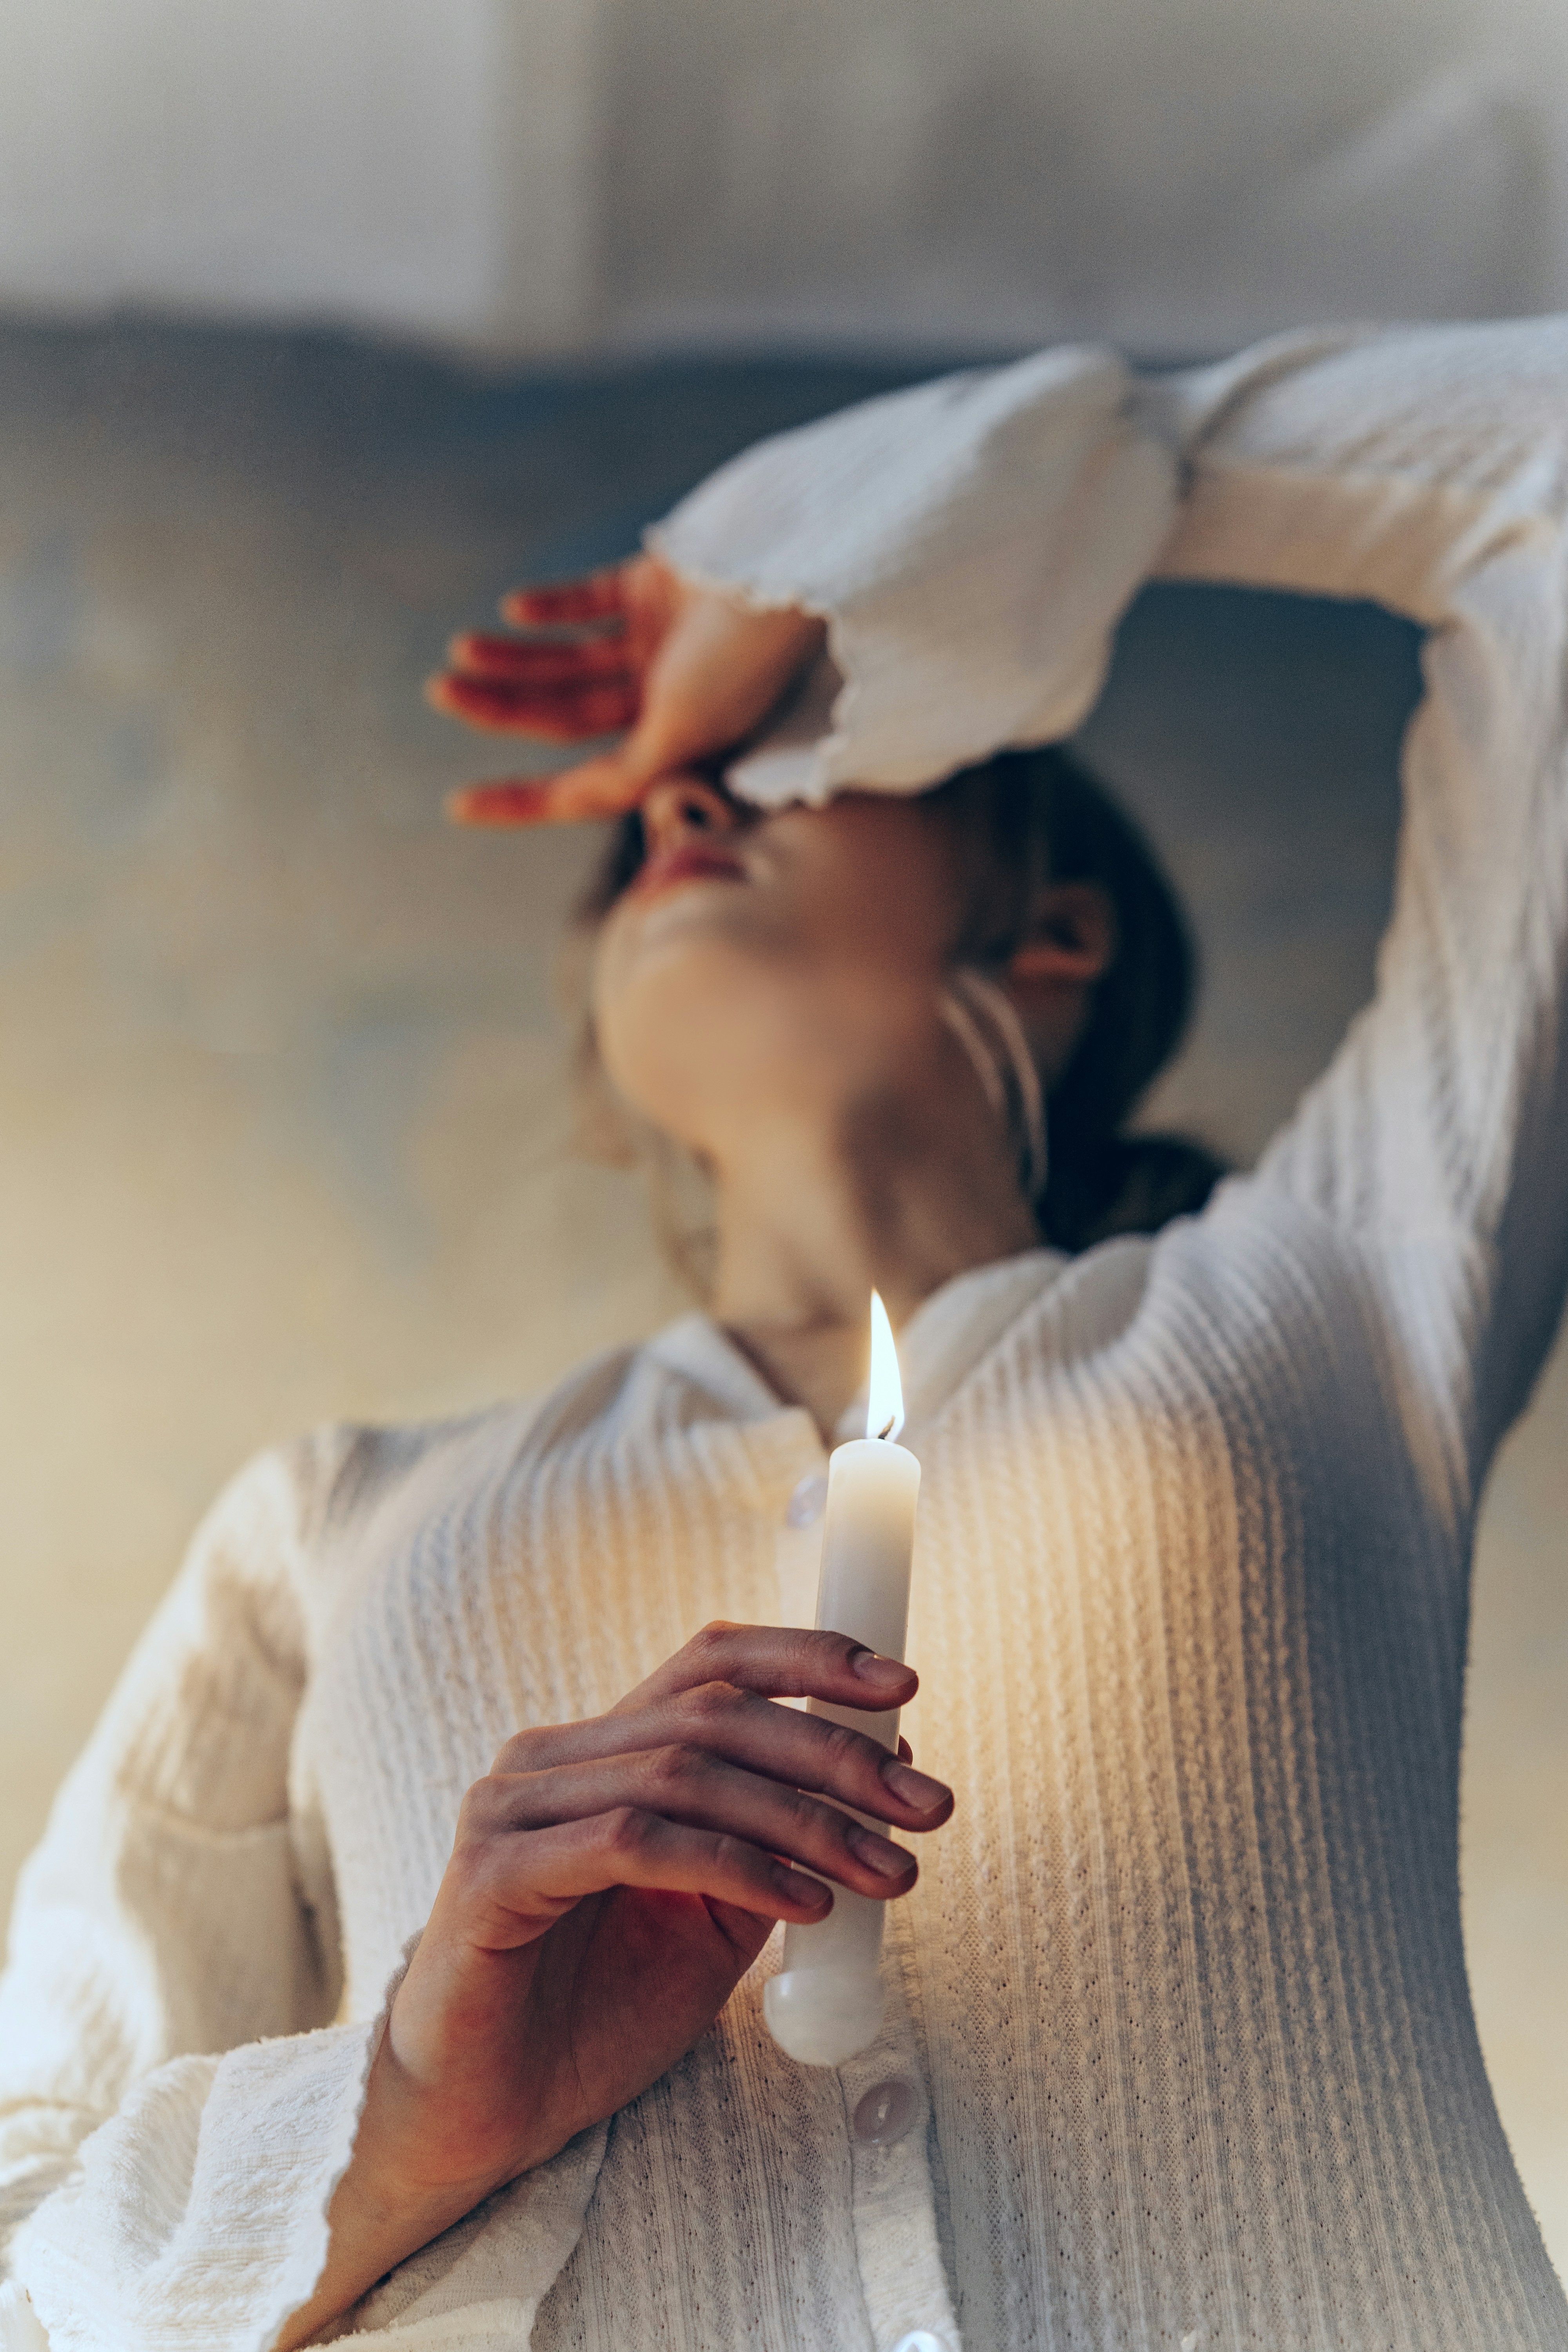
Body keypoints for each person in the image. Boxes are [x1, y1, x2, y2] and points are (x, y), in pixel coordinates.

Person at [1, 319, 1566, 2352]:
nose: (675, 801)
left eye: (791, 751)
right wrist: (402, 2115)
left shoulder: (1341, 1295)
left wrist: (846, 548)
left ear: (1052, 931)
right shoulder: (342, 1518)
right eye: (648, 803)